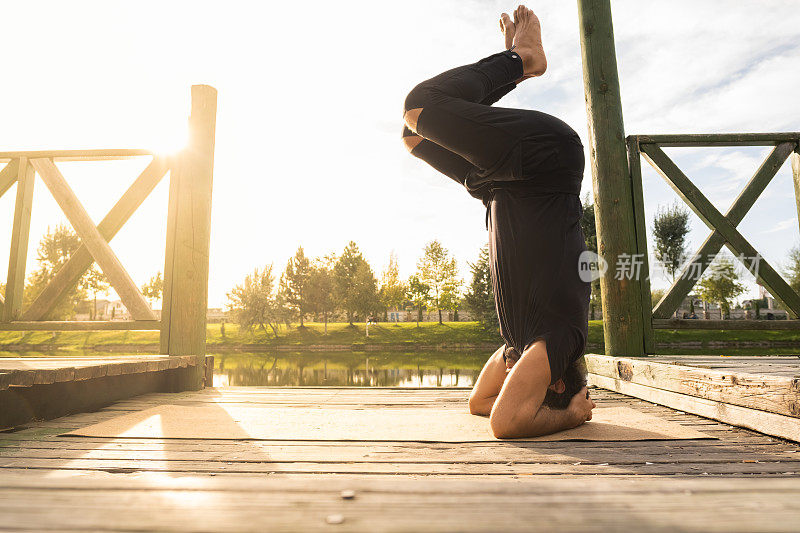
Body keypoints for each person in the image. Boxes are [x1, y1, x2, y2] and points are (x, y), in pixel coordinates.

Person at [402, 6, 595, 438]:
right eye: (521, 384)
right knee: (419, 106)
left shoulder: (521, 346)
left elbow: (481, 404)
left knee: (414, 135)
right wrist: (572, 416)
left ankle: (516, 65)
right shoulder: (560, 341)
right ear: (555, 383)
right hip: (546, 162)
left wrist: (531, 392)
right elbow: (506, 424)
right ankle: (521, 61)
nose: (510, 378)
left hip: (500, 184)